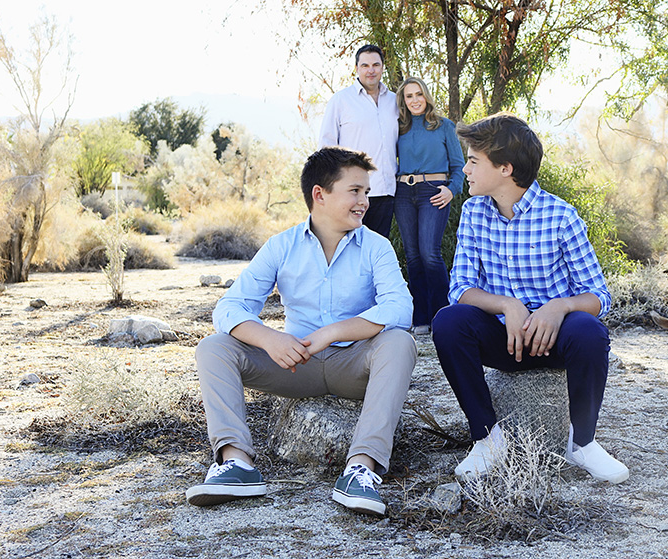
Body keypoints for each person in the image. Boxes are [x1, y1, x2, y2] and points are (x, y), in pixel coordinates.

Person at [186, 147, 417, 516]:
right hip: (295, 364)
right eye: (355, 191)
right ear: (320, 194)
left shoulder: (377, 247)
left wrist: (333, 332)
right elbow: (229, 307)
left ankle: (361, 469)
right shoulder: (281, 246)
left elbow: (399, 308)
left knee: (399, 342)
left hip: (355, 365)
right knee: (214, 347)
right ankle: (236, 464)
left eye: (366, 193)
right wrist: (269, 338)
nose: (364, 202)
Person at [431, 113, 629, 484]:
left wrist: (560, 306)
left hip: (553, 340)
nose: (466, 169)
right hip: (501, 338)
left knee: (589, 330)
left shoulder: (560, 216)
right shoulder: (474, 212)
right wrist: (506, 305)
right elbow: (460, 289)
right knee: (447, 322)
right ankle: (488, 440)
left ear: (505, 168)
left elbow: (600, 295)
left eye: (473, 161)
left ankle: (583, 443)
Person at [394, 77, 465, 335]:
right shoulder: (397, 128)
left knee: (429, 254)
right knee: (412, 256)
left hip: (433, 192)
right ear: (403, 101)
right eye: (409, 96)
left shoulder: (443, 126)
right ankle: (421, 317)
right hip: (402, 192)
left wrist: (451, 189)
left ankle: (443, 316)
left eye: (418, 95)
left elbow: (459, 166)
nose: (414, 100)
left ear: (426, 96)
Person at [319, 44, 398, 238]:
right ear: (356, 68)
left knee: (376, 247)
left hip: (385, 190)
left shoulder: (395, 101)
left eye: (375, 65)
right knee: (347, 245)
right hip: (350, 191)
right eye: (365, 65)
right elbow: (326, 146)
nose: (370, 70)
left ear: (382, 67)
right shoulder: (341, 101)